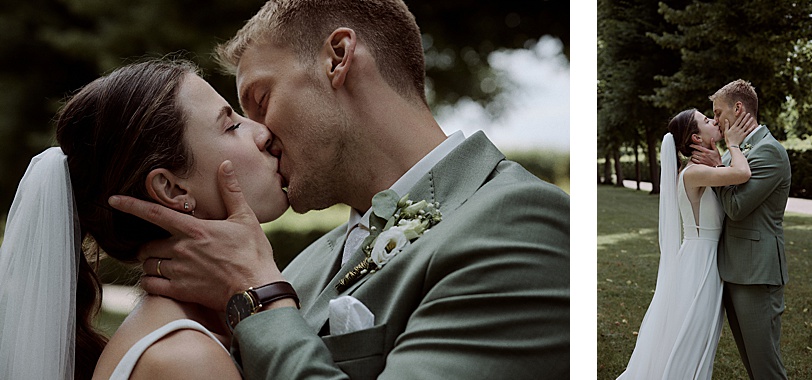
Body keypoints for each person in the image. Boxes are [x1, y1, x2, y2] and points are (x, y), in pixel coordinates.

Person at [108, 0, 570, 378]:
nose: (260, 135)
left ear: (338, 57)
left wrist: (255, 294)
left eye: (262, 100)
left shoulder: (521, 222)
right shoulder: (304, 263)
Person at [0, 59, 288, 379]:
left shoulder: (190, 336)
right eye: (231, 126)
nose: (262, 132)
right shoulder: (187, 359)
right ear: (172, 189)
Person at [618, 108, 757, 379]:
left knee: (698, 338)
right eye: (706, 120)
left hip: (703, 260)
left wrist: (718, 159)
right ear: (695, 137)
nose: (714, 120)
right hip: (699, 266)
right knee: (692, 339)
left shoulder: (700, 169)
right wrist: (733, 144)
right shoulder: (693, 173)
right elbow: (742, 173)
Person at [692, 79, 791, 379]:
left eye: (718, 112)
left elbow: (735, 207)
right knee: (752, 365)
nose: (717, 121)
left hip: (757, 274)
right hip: (733, 270)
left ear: (738, 109)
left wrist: (719, 168)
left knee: (766, 367)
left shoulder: (769, 152)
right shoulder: (737, 152)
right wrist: (722, 163)